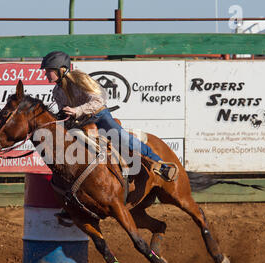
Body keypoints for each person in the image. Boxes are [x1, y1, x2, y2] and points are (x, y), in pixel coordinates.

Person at [40, 51, 177, 182]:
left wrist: (77, 110)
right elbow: (66, 113)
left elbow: (99, 100)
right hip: (79, 124)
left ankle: (161, 165)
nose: (46, 74)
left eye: (48, 70)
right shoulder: (57, 91)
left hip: (99, 117)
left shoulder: (80, 79)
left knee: (123, 138)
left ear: (61, 69)